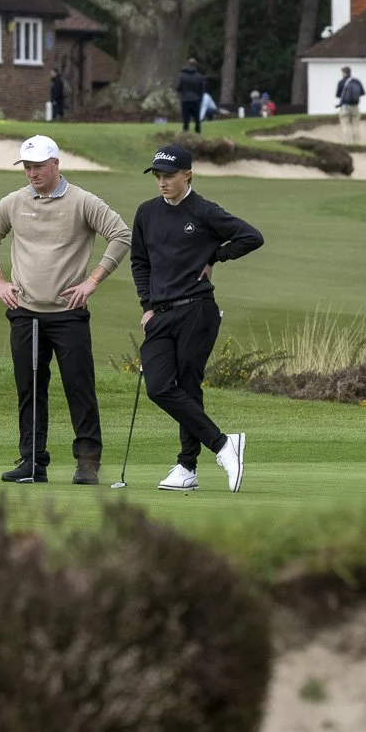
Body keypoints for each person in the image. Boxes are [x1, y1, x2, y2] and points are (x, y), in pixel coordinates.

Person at [0, 135, 132, 484]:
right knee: (30, 388)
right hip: (25, 312)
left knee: (80, 387)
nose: (32, 173)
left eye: (38, 167)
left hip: (68, 313)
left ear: (56, 164)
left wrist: (92, 281)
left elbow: (120, 235)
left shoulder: (82, 201)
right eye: (27, 167)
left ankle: (87, 464)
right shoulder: (14, 202)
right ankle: (33, 462)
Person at [131, 144, 264, 492]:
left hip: (197, 309)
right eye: (158, 176)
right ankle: (223, 444)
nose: (162, 182)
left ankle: (186, 467)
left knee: (188, 386)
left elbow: (252, 237)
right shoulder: (146, 213)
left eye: (169, 176)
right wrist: (146, 305)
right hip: (160, 313)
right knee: (159, 387)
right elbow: (140, 262)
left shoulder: (204, 211)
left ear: (187, 174)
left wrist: (216, 256)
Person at [175, 58, 207, 133]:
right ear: (196, 66)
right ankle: (198, 134)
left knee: (186, 119)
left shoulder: (182, 76)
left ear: (187, 65)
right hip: (196, 100)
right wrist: (200, 99)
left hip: (185, 100)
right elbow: (202, 90)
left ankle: (185, 134)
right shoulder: (199, 76)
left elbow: (178, 88)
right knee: (197, 120)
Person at [336, 66, 365, 144]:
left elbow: (338, 95)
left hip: (345, 106)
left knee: (345, 125)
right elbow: (362, 93)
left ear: (344, 73)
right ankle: (356, 143)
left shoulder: (341, 82)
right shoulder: (357, 81)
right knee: (355, 125)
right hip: (355, 106)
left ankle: (347, 143)